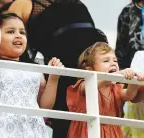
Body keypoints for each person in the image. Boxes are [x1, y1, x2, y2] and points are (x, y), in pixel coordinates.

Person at [7, 1, 108, 137]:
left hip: (90, 70)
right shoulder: (23, 4)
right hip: (60, 71)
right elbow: (4, 34)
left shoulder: (77, 4)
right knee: (64, 125)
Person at [0, 13, 64, 138]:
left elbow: (44, 107)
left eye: (22, 32)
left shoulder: (34, 70)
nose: (18, 35)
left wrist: (53, 78)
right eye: (10, 31)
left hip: (30, 129)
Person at [66, 42, 144, 138]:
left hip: (112, 134)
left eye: (115, 61)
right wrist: (115, 75)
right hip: (88, 132)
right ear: (90, 69)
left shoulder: (115, 88)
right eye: (106, 61)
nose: (113, 63)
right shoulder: (84, 84)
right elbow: (90, 86)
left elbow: (130, 95)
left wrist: (134, 79)